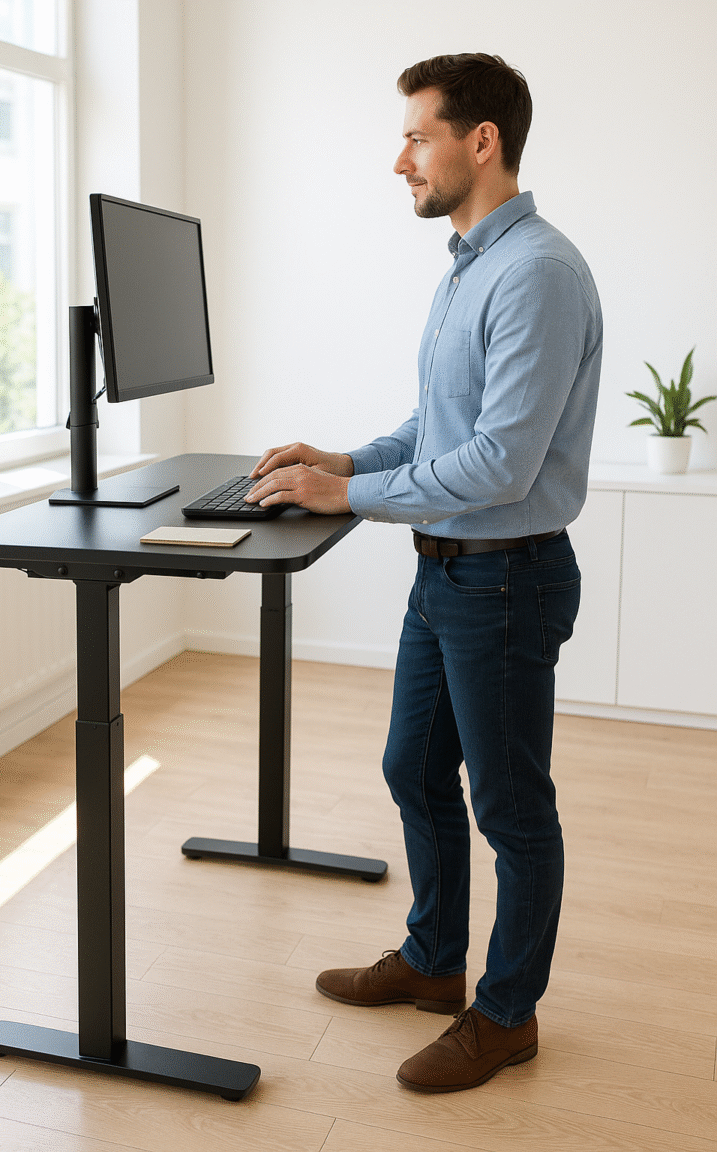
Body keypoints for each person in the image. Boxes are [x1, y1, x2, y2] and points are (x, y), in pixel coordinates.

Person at [246, 52, 602, 1093]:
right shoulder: (469, 265)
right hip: (446, 576)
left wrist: (343, 499)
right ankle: (435, 961)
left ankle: (505, 1015)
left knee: (512, 809)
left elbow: (500, 463)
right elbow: (441, 427)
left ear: (479, 141)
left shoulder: (535, 270)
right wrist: (345, 459)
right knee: (413, 768)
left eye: (417, 133)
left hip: (505, 580)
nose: (399, 156)